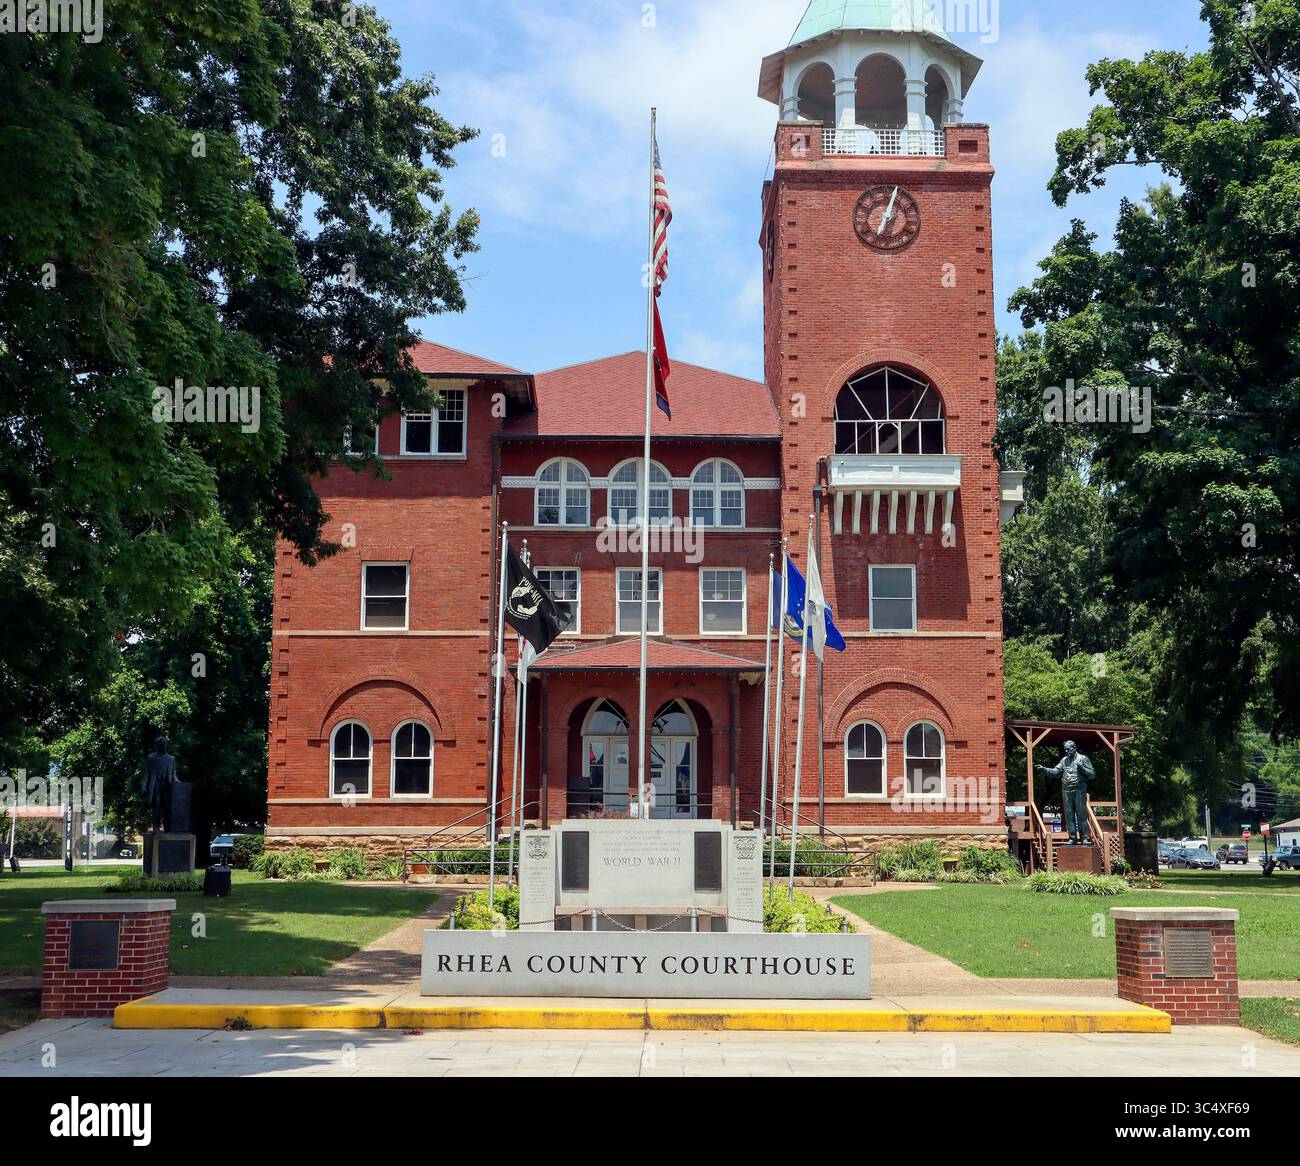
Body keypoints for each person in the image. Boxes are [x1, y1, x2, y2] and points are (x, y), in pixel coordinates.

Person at [1037, 740, 1094, 846]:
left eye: (1068, 749)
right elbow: (1055, 771)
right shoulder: (1064, 760)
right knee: (1069, 815)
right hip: (1066, 791)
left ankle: (1084, 838)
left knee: (1081, 815)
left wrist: (1083, 769)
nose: (1067, 751)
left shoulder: (1083, 759)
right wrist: (1044, 770)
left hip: (1079, 790)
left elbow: (1092, 774)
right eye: (1065, 749)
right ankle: (1072, 838)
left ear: (1074, 748)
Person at [142, 737, 178, 833]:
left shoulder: (171, 759)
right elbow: (147, 774)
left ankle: (168, 828)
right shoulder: (151, 758)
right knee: (157, 807)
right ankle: (156, 827)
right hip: (156, 786)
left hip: (167, 786)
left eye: (165, 745)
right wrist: (144, 786)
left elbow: (174, 773)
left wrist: (177, 781)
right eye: (162, 745)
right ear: (158, 746)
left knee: (168, 808)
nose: (164, 747)